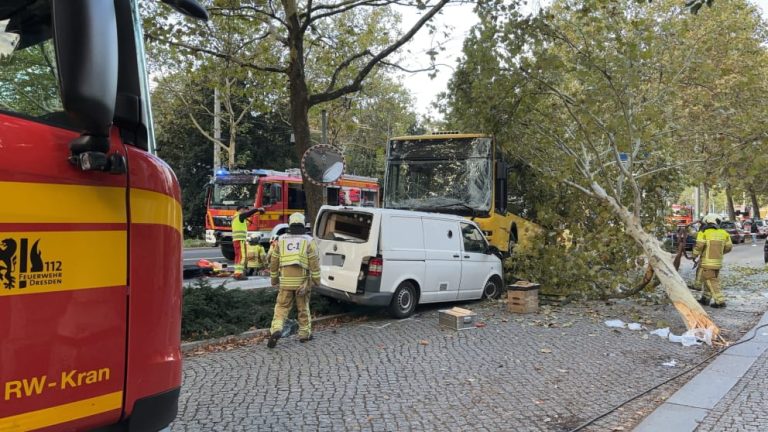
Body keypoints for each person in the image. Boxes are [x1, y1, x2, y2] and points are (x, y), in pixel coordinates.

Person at [267, 212, 320, 348]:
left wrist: (274, 279)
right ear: (303, 223)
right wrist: (316, 280)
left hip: (285, 282)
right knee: (303, 308)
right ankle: (304, 334)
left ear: (290, 224)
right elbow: (314, 261)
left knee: (281, 308)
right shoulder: (308, 240)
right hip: (302, 283)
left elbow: (274, 260)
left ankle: (276, 329)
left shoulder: (281, 239)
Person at [692, 214, 733, 308]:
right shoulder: (724, 233)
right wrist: (718, 253)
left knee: (711, 281)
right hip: (718, 263)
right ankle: (705, 299)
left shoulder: (704, 233)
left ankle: (720, 301)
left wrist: (694, 255)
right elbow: (729, 247)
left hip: (707, 263)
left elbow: (699, 246)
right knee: (709, 280)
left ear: (706, 222)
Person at [231, 206, 265, 281]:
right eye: (244, 210)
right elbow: (248, 214)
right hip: (240, 240)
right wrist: (258, 209)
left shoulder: (235, 217)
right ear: (240, 209)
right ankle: (239, 274)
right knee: (241, 257)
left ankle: (237, 273)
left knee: (238, 256)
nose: (245, 211)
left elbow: (248, 216)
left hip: (236, 240)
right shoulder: (240, 215)